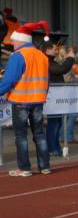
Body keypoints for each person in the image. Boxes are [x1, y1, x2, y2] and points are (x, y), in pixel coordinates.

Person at [0, 21, 52, 176]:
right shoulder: (42, 56)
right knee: (39, 134)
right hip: (38, 101)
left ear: (20, 40)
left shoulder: (18, 56)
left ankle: (24, 168)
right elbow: (47, 81)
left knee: (21, 136)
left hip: (21, 101)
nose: (12, 43)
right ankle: (44, 166)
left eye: (14, 41)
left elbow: (9, 81)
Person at [42, 41, 76, 156]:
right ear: (47, 50)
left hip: (55, 96)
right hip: (52, 96)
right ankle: (52, 148)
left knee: (57, 122)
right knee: (54, 123)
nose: (56, 51)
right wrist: (70, 58)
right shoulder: (46, 61)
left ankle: (55, 147)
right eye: (54, 49)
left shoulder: (50, 61)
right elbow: (61, 69)